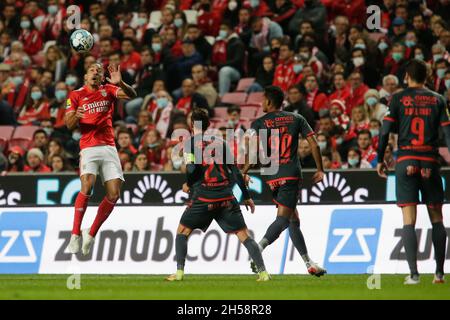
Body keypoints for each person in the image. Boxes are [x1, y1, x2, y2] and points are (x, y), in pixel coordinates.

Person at [166, 108, 270, 282]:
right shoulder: (220, 142)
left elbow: (191, 169)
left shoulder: (189, 144)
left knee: (182, 232)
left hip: (204, 197)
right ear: (208, 125)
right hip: (226, 197)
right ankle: (263, 273)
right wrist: (246, 197)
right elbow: (235, 172)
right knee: (244, 235)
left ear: (192, 125)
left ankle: (179, 273)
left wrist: (188, 184)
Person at [377, 59, 450, 285]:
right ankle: (439, 274)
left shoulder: (397, 98)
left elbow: (385, 130)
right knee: (437, 218)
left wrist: (380, 158)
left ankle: (414, 275)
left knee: (409, 220)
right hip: (429, 161)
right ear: (427, 76)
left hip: (406, 160)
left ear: (406, 76)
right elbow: (448, 134)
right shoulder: (438, 100)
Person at [242, 85, 326, 276]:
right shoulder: (296, 118)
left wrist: (243, 171)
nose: (261, 103)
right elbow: (314, 143)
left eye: (263, 99)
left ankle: (308, 263)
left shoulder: (258, 123)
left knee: (293, 220)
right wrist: (320, 168)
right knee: (283, 219)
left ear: (269, 102)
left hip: (271, 176)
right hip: (290, 174)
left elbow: (253, 153)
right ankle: (258, 249)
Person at [65, 62, 136, 256]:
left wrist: (121, 83)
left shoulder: (109, 89)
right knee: (87, 185)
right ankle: (74, 235)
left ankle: (92, 232)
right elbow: (68, 124)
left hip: (109, 147)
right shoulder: (76, 95)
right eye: (91, 70)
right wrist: (76, 116)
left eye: (98, 70)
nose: (95, 72)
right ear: (85, 77)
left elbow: (132, 95)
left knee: (114, 194)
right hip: (88, 147)